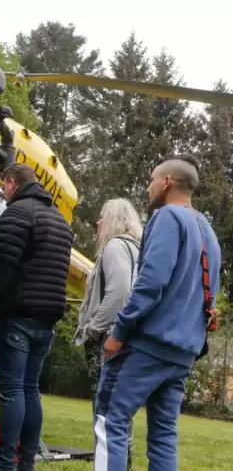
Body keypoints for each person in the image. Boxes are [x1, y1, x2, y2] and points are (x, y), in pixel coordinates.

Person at [95, 155, 221, 471]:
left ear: (166, 182)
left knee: (110, 419)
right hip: (182, 353)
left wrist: (119, 332)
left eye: (152, 180)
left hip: (146, 347)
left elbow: (151, 284)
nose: (148, 187)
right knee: (164, 434)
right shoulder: (208, 231)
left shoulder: (167, 218)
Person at [0, 163, 74, 471]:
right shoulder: (60, 221)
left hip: (15, 317)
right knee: (31, 391)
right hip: (46, 320)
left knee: (11, 393)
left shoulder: (17, 214)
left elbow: (2, 267)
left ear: (11, 183)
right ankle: (27, 463)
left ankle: (5, 464)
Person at [74, 198, 142, 470]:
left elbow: (118, 293)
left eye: (101, 217)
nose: (97, 223)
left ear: (113, 219)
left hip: (108, 339)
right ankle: (121, 464)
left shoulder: (115, 247)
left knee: (104, 411)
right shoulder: (138, 250)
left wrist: (93, 329)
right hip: (130, 338)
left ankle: (109, 464)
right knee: (120, 412)